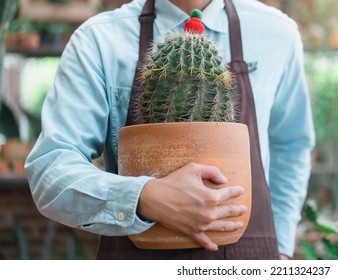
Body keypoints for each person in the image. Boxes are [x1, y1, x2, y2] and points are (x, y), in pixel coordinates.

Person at [25, 0, 314, 260]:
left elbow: (290, 145)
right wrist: (144, 197)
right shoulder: (99, 39)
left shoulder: (277, 34)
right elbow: (51, 168)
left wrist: (282, 250)